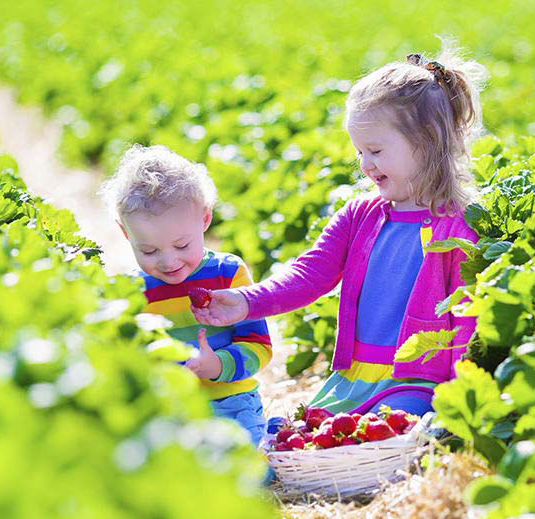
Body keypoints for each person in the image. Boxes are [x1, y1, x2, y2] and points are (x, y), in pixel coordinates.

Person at [193, 42, 487, 417]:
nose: (365, 164)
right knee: (296, 433)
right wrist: (248, 301)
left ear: (427, 140)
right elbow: (309, 274)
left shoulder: (458, 227)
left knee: (392, 430)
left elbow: (466, 316)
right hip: (355, 378)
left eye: (376, 151)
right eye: (359, 152)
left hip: (417, 382)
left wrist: (458, 397)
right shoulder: (360, 215)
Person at [101, 144, 272, 446]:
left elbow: (259, 346)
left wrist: (217, 365)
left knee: (247, 472)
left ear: (205, 219)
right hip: (170, 412)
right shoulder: (132, 291)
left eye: (182, 246)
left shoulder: (227, 273)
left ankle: (269, 433)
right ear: (126, 234)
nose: (168, 262)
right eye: (149, 250)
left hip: (231, 402)